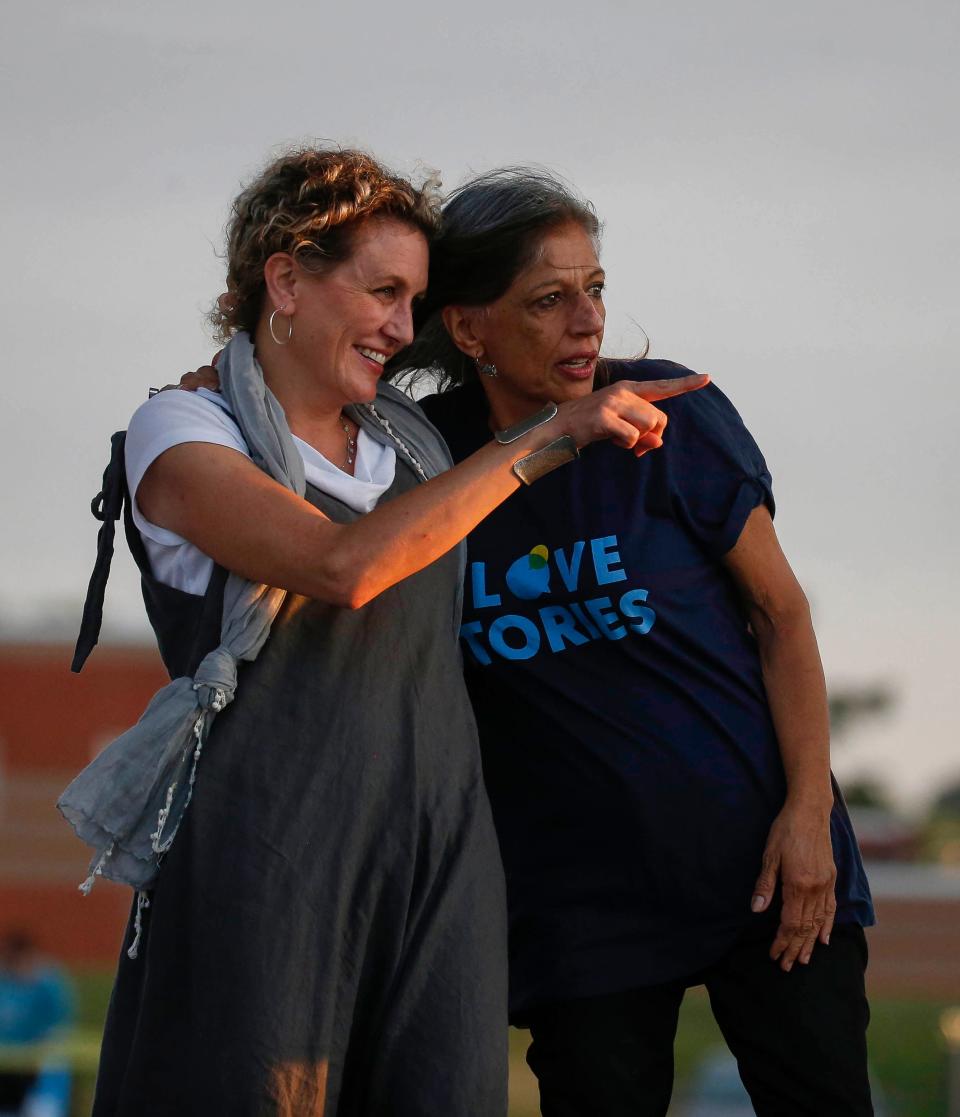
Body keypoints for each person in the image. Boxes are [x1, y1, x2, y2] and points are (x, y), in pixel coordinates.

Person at [61, 149, 706, 1117]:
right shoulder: (186, 427)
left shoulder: (415, 440)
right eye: (382, 292)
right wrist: (551, 436)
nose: (402, 328)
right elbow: (343, 566)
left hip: (436, 850)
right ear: (285, 278)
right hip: (270, 849)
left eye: (416, 302)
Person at [396, 169, 876, 1117]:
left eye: (597, 288)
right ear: (467, 327)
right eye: (550, 298)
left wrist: (809, 813)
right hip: (576, 905)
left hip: (763, 861)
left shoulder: (674, 413)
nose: (588, 320)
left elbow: (782, 615)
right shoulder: (419, 457)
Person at [0, 931, 73, 1117]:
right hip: (7, 1066)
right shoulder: (4, 981)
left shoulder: (48, 984)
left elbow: (59, 1027)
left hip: (38, 1066)